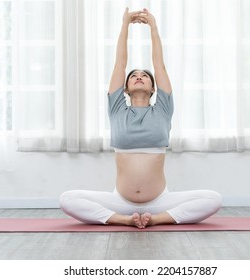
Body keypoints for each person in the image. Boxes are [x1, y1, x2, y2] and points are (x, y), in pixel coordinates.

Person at [60, 8, 221, 228]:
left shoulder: (163, 109)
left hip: (159, 201)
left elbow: (159, 65)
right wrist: (124, 25)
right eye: (133, 76)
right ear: (124, 89)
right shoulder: (117, 109)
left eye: (144, 76)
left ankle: (156, 219)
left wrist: (153, 27)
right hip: (120, 201)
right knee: (67, 199)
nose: (138, 77)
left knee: (213, 199)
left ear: (153, 88)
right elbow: (119, 64)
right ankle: (124, 220)